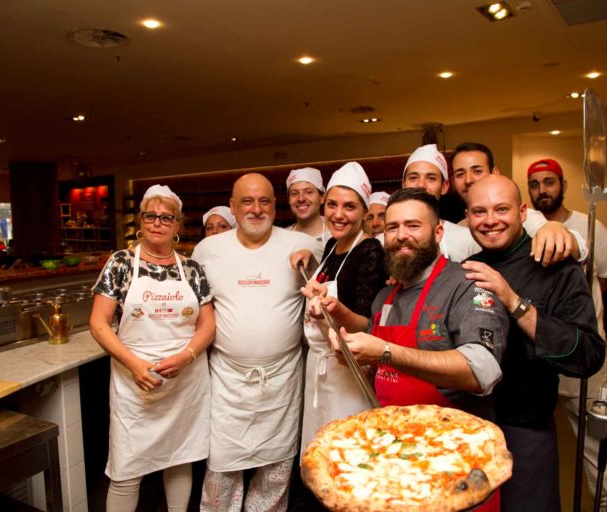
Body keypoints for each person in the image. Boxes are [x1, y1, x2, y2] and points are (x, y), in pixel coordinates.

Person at [322, 187, 509, 511]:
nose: (400, 236)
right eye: (392, 228)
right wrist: (342, 325)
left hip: (455, 461)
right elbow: (375, 339)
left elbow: (483, 370)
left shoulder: (470, 284)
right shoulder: (386, 296)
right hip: (396, 460)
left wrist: (384, 352)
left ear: (438, 232)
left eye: (413, 226)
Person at [461, 175, 605, 512]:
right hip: (469, 429)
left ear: (523, 212)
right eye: (479, 211)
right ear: (467, 217)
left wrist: (513, 302)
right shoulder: (466, 269)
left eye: (501, 209)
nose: (490, 220)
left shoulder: (556, 266)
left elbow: (588, 355)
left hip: (526, 430)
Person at [192, 173, 316, 512]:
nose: (256, 209)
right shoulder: (207, 250)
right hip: (227, 380)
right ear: (233, 206)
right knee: (221, 468)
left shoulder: (302, 245)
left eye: (264, 201)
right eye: (247, 201)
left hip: (282, 378)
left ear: (275, 206)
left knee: (275, 473)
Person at [89, 184, 215, 512]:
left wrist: (185, 357)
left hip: (185, 380)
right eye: (150, 216)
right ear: (141, 222)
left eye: (166, 218)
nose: (157, 223)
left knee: (180, 457)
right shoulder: (119, 263)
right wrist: (134, 364)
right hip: (134, 382)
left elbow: (207, 324)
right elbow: (99, 323)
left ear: (177, 226)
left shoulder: (191, 268)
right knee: (126, 468)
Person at [527, 158, 607, 511]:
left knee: (597, 444)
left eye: (549, 182)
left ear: (563, 185)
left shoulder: (591, 227)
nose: (543, 190)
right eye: (535, 184)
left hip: (580, 352)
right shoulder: (525, 228)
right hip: (537, 356)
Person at [298, 162, 387, 455]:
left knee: (344, 454)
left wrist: (332, 308)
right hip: (319, 367)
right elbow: (334, 280)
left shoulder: (370, 250)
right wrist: (309, 264)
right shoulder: (329, 248)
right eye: (332, 205)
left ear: (363, 212)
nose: (338, 214)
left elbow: (364, 324)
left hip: (347, 369)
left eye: (349, 207)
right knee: (318, 453)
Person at [451, 141, 587, 266]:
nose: (468, 180)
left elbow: (579, 249)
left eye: (477, 171)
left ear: (495, 173)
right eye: (460, 174)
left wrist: (554, 229)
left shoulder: (520, 217)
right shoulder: (459, 227)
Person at [400, 144, 482, 262]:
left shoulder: (467, 239)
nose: (421, 185)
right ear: (403, 185)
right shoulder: (385, 241)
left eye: (431, 178)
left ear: (444, 186)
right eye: (413, 178)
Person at [286, 167, 331, 260]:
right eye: (294, 193)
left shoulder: (336, 235)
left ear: (322, 197)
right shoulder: (283, 238)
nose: (301, 198)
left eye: (308, 192)